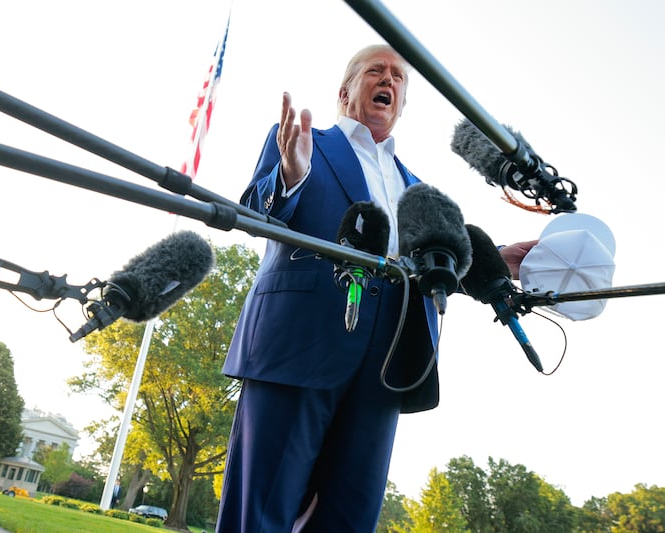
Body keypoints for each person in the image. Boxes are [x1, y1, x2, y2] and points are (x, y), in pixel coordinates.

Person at [215, 44, 536, 533]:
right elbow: (259, 213)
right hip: (298, 346)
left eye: (399, 77)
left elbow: (431, 266)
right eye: (376, 70)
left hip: (389, 365)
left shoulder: (418, 189)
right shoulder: (303, 143)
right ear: (346, 92)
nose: (389, 79)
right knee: (259, 515)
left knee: (351, 516)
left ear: (402, 103)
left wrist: (493, 262)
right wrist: (291, 177)